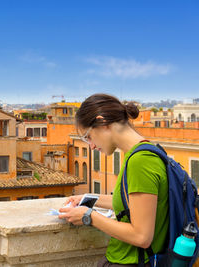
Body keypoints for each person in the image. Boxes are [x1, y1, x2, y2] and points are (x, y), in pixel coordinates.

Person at [58, 94, 169, 267]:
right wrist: (88, 199)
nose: (91, 146)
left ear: (102, 123)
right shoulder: (142, 152)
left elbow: (142, 236)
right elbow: (132, 203)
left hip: (133, 262)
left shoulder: (141, 161)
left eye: (88, 137)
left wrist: (89, 216)